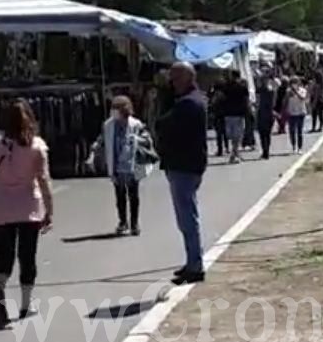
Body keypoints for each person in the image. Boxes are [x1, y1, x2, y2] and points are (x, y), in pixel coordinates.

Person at [0, 99, 54, 324]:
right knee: (27, 256)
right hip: (29, 207)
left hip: (0, 208)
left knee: (3, 254)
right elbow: (44, 180)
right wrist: (50, 210)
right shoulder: (36, 146)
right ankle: (26, 305)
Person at [156, 62, 208, 284]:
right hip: (184, 165)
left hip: (184, 166)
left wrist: (165, 99)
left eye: (176, 79)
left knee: (187, 218)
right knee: (186, 217)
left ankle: (195, 266)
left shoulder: (189, 103)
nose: (172, 83)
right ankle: (192, 262)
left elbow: (163, 124)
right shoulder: (191, 100)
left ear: (188, 77)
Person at [95, 95, 155, 236]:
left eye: (116, 109)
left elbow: (148, 140)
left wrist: (137, 139)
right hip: (116, 166)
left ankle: (134, 224)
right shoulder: (108, 125)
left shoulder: (136, 124)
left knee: (133, 195)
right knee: (120, 196)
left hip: (132, 165)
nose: (114, 112)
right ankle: (123, 222)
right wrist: (94, 152)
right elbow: (101, 140)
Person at [220, 73, 250, 165]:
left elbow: (222, 98)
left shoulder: (226, 86)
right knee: (237, 135)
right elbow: (246, 99)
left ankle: (235, 154)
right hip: (239, 114)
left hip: (228, 114)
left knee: (232, 136)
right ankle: (235, 153)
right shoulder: (242, 87)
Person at [285, 77, 309, 152]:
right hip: (291, 113)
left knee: (299, 131)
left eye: (295, 82)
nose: (294, 84)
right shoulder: (288, 91)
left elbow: (303, 98)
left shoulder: (303, 90)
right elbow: (285, 101)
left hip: (300, 113)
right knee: (292, 131)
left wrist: (296, 92)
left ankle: (300, 147)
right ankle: (293, 146)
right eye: (292, 82)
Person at [256, 73, 276, 159]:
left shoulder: (260, 90)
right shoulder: (272, 90)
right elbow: (273, 103)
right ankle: (266, 151)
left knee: (263, 134)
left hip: (262, 113)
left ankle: (265, 151)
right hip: (269, 113)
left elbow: (257, 102)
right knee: (267, 134)